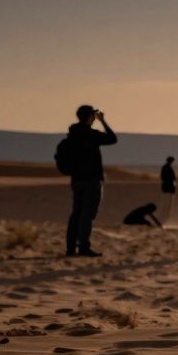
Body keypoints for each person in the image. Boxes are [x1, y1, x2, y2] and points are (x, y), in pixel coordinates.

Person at [62, 105, 117, 257]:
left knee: (76, 213)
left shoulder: (73, 134)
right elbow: (112, 139)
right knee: (87, 215)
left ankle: (71, 248)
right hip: (91, 180)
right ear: (90, 117)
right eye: (92, 115)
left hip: (77, 180)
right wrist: (103, 121)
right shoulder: (91, 134)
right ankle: (84, 247)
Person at [159, 156, 177, 224]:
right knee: (166, 205)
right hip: (168, 189)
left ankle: (163, 220)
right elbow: (167, 179)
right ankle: (162, 220)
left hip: (167, 189)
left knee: (167, 205)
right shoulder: (167, 168)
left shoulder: (167, 168)